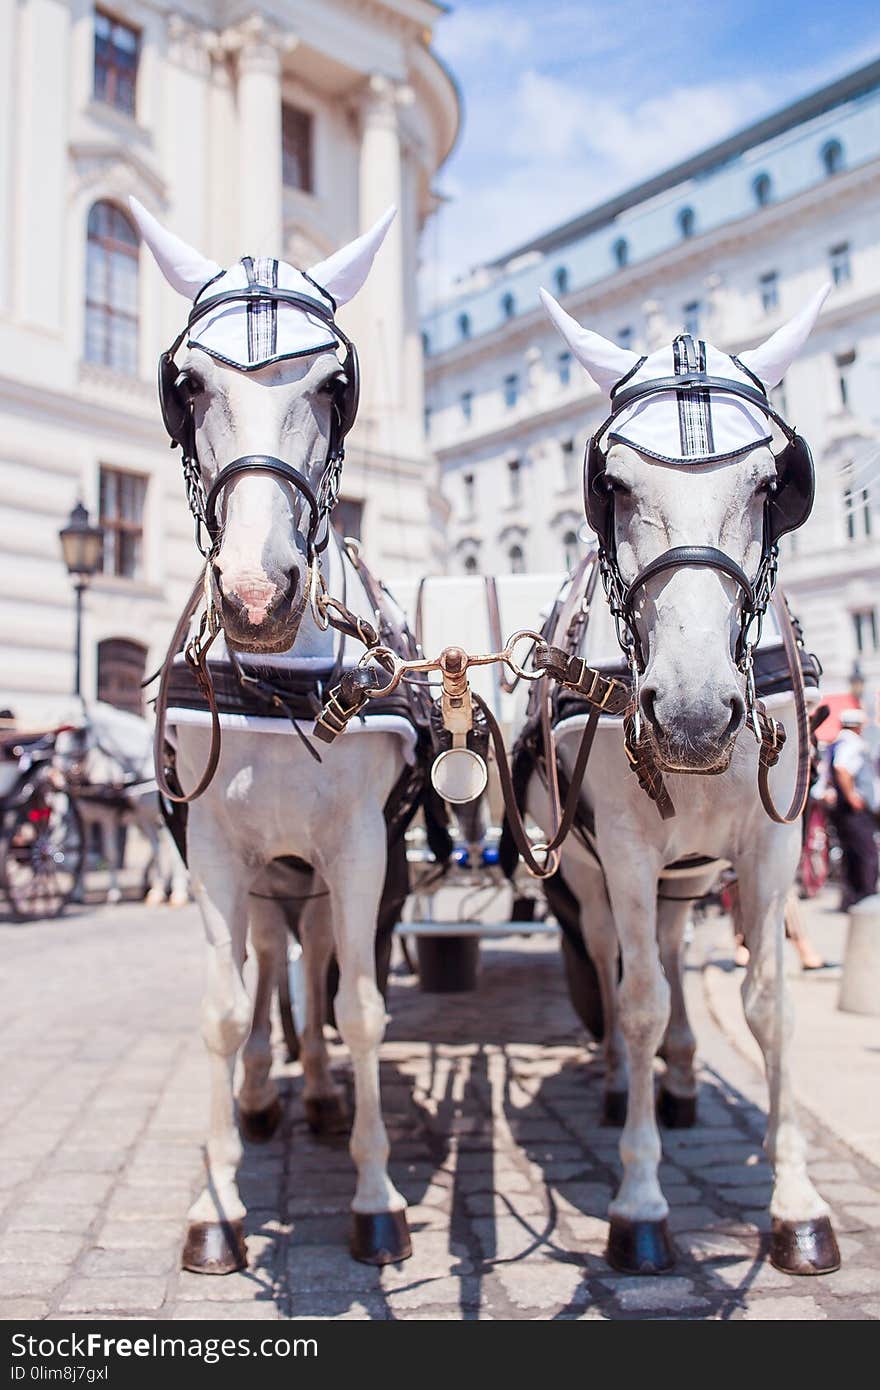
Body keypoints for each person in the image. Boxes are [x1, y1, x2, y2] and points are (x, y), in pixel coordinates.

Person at [829, 707, 879, 908]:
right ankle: (865, 898)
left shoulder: (837, 742)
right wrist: (852, 796)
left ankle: (852, 899)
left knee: (851, 853)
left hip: (843, 809)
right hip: (853, 810)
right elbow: (841, 767)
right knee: (866, 853)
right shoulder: (852, 743)